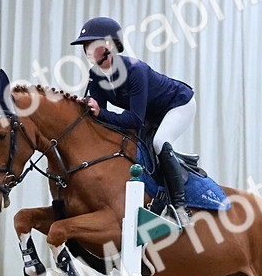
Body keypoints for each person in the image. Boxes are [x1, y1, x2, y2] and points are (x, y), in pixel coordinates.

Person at [70, 17, 196, 223]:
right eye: (86, 46)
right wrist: (84, 108)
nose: (87, 50)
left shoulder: (135, 71)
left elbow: (135, 120)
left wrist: (100, 113)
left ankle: (181, 208)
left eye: (93, 45)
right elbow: (99, 115)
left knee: (159, 142)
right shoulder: (95, 75)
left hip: (178, 104)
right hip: (149, 114)